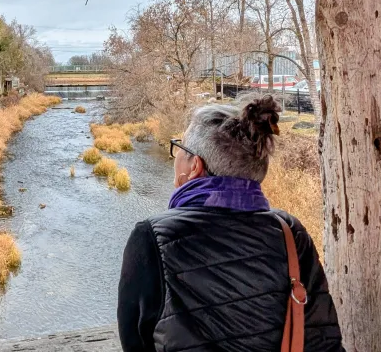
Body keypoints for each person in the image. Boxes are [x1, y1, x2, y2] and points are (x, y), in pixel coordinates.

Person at [117, 95, 344, 352]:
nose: (175, 155)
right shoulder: (290, 232)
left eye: (179, 148)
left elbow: (135, 342)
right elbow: (323, 340)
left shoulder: (152, 238)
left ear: (194, 167)